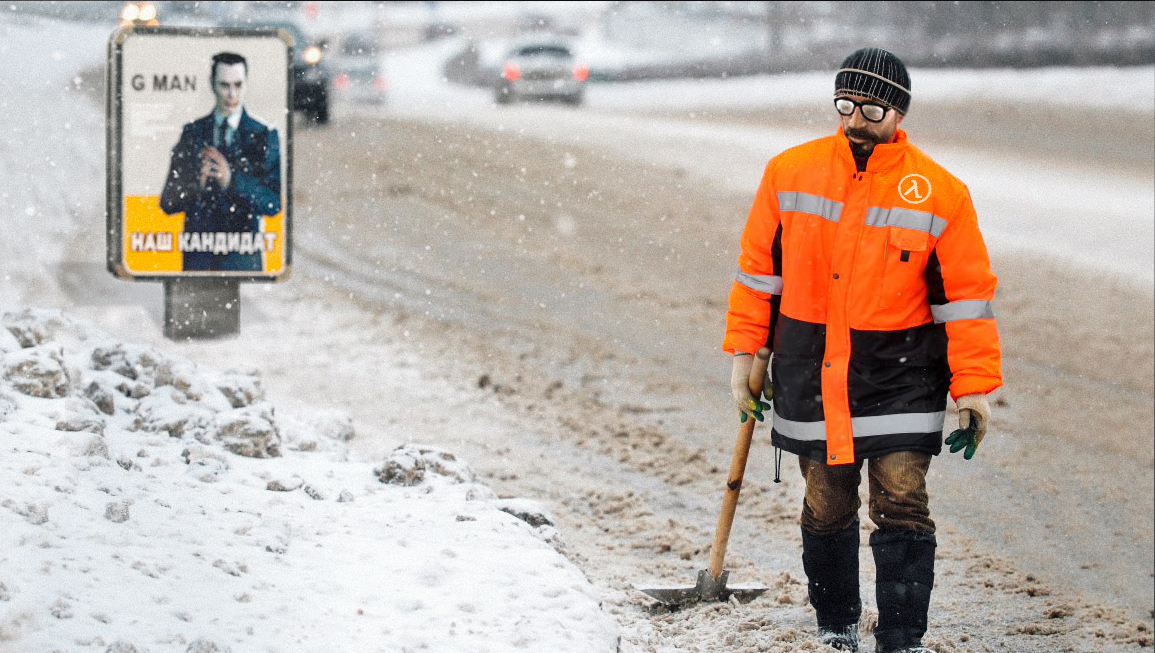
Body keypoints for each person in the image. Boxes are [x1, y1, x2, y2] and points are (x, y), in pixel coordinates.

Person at [722, 48, 1002, 653]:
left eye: (871, 108)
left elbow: (966, 300)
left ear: (897, 112)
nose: (855, 121)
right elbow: (758, 275)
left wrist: (974, 387)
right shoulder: (788, 172)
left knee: (902, 500)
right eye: (845, 105)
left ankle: (901, 639)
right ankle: (836, 628)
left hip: (900, 374)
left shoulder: (940, 193)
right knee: (826, 505)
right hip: (810, 367)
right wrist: (748, 351)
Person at [160, 52, 281, 271]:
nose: (232, 94)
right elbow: (168, 202)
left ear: (246, 84)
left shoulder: (263, 135)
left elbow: (273, 203)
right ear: (212, 84)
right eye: (225, 85)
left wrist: (231, 180)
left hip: (242, 261)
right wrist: (196, 183)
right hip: (199, 260)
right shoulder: (193, 133)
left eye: (238, 85)